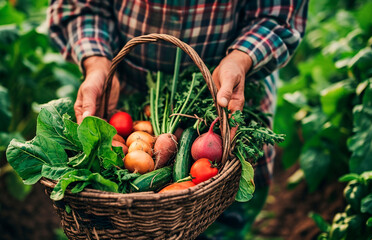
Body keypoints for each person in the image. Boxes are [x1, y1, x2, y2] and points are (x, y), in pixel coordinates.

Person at [48, 0, 308, 239]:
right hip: (126, 97)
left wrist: (240, 59)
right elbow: (78, 6)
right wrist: (97, 63)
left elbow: (279, 13)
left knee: (223, 224)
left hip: (225, 100)